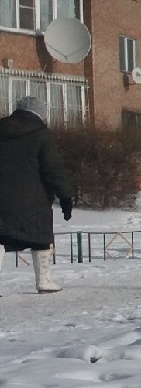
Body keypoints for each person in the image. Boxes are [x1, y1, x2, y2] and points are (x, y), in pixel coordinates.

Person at [0, 96, 74, 294]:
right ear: (40, 113)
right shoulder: (42, 135)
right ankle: (44, 281)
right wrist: (66, 196)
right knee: (41, 237)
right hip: (33, 200)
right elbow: (53, 169)